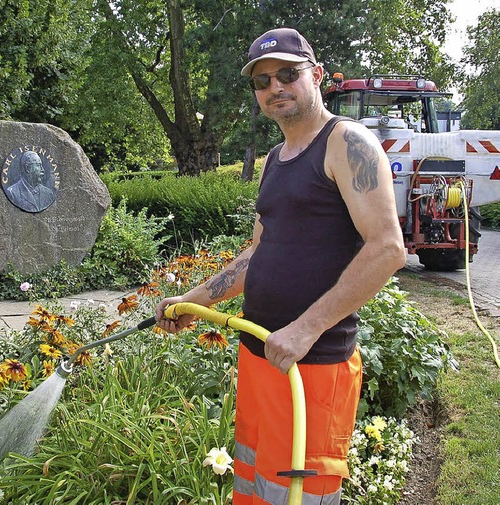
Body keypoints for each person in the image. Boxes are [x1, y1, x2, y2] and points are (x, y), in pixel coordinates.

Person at [155, 27, 406, 505]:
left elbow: (387, 248)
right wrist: (192, 301)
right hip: (261, 356)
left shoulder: (345, 143)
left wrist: (305, 329)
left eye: (287, 74)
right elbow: (257, 254)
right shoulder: (275, 160)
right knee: (254, 485)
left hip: (312, 367)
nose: (275, 88)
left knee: (300, 493)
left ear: (315, 75)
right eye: (262, 81)